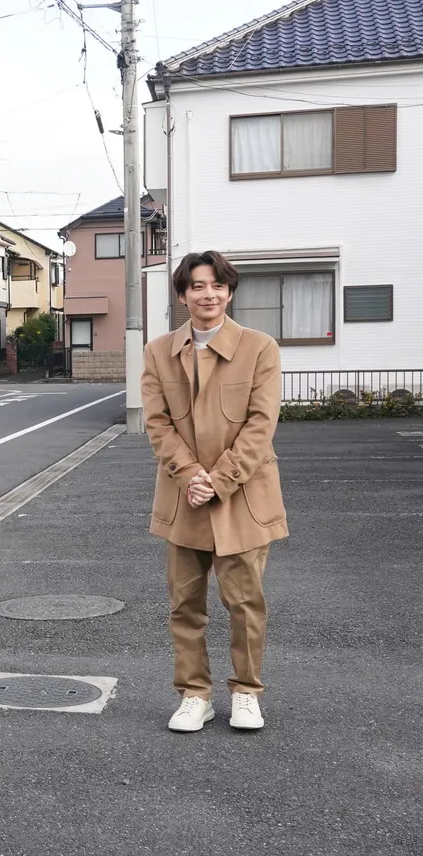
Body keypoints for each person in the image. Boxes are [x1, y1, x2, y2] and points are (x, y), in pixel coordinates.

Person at [140, 251, 288, 733]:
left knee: (245, 603)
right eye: (198, 286)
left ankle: (246, 691)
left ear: (229, 291)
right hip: (184, 497)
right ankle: (194, 693)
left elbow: (261, 425)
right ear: (182, 295)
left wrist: (218, 480)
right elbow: (157, 423)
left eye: (217, 286)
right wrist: (190, 476)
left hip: (242, 496)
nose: (208, 294)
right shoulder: (159, 350)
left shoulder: (259, 347)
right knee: (184, 603)